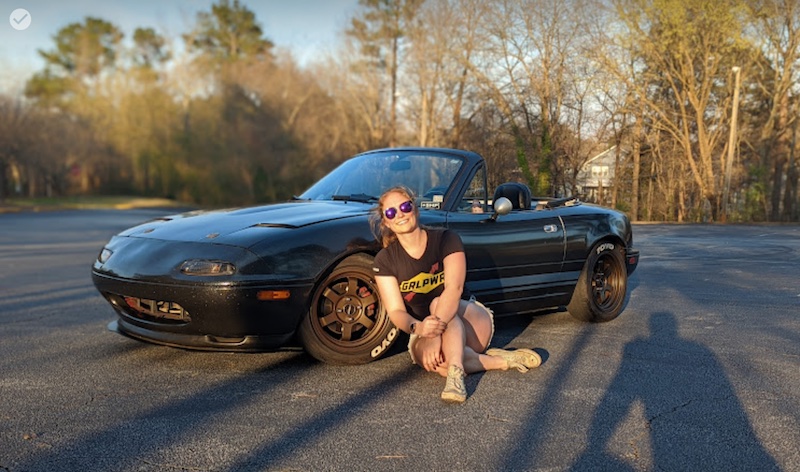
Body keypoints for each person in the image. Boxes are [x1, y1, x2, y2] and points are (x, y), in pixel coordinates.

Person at [370, 186, 541, 403]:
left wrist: (432, 335)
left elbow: (454, 289)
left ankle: (456, 376)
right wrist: (420, 328)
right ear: (386, 221)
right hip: (425, 329)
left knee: (437, 302)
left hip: (471, 320)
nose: (400, 214)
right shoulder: (385, 260)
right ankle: (500, 361)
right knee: (440, 364)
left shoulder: (445, 239)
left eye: (405, 206)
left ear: (415, 207)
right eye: (392, 212)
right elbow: (395, 311)